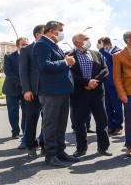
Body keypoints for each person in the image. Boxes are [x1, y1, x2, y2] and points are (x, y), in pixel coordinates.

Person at [34, 20, 78, 167]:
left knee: (61, 124)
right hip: (51, 91)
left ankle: (60, 152)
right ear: (52, 30)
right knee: (51, 125)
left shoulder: (54, 45)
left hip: (62, 91)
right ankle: (50, 155)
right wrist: (66, 62)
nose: (61, 33)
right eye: (60, 30)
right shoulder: (42, 44)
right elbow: (44, 65)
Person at [68, 33, 112, 157]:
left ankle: (103, 147)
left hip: (97, 93)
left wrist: (94, 82)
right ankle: (81, 148)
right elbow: (70, 74)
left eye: (88, 38)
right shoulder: (70, 56)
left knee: (102, 120)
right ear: (77, 42)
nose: (88, 40)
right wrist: (86, 82)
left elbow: (105, 70)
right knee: (79, 122)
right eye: (85, 39)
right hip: (79, 94)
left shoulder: (96, 54)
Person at [19, 25, 45, 159]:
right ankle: (31, 146)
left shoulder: (48, 48)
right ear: (37, 35)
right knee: (31, 120)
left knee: (47, 121)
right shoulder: (27, 50)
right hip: (33, 93)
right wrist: (27, 90)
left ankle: (45, 145)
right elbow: (23, 72)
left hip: (48, 92)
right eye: (44, 33)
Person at [2, 37, 29, 147]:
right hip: (12, 88)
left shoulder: (30, 57)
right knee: (13, 111)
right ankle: (15, 131)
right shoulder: (9, 57)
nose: (25, 46)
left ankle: (25, 132)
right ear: (17, 45)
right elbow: (8, 72)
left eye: (27, 44)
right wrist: (21, 82)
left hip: (26, 90)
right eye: (23, 44)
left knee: (26, 112)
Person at [98, 37, 123, 136]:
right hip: (106, 83)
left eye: (102, 46)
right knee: (108, 106)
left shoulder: (118, 51)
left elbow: (113, 59)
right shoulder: (103, 53)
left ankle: (118, 126)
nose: (101, 48)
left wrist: (102, 50)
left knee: (117, 106)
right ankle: (110, 125)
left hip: (115, 83)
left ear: (107, 45)